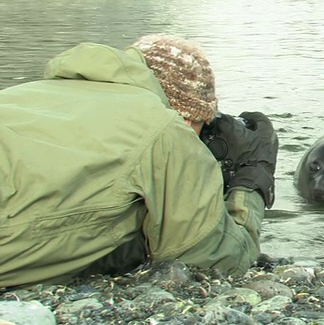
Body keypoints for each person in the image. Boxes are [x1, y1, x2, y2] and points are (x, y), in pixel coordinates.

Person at [0, 34, 278, 288]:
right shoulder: (165, 127)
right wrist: (253, 174)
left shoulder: (24, 94)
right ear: (186, 116)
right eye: (200, 126)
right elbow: (219, 260)